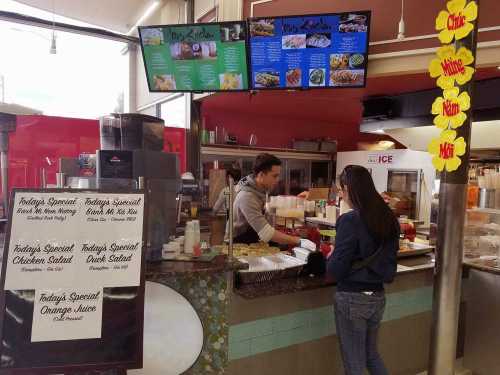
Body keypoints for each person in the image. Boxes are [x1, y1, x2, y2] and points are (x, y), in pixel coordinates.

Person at [326, 165, 399, 375]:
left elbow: (336, 270)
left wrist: (331, 257)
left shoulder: (349, 220)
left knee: (354, 364)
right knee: (371, 355)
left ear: (349, 188)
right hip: (377, 296)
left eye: (341, 190)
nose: (341, 194)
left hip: (352, 299)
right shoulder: (388, 217)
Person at [231, 153, 315, 249]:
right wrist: (298, 240)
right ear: (261, 175)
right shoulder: (247, 197)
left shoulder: (261, 191)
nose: (277, 180)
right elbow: (266, 233)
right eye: (274, 176)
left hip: (251, 241)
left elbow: (277, 206)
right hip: (238, 246)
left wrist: (299, 200)